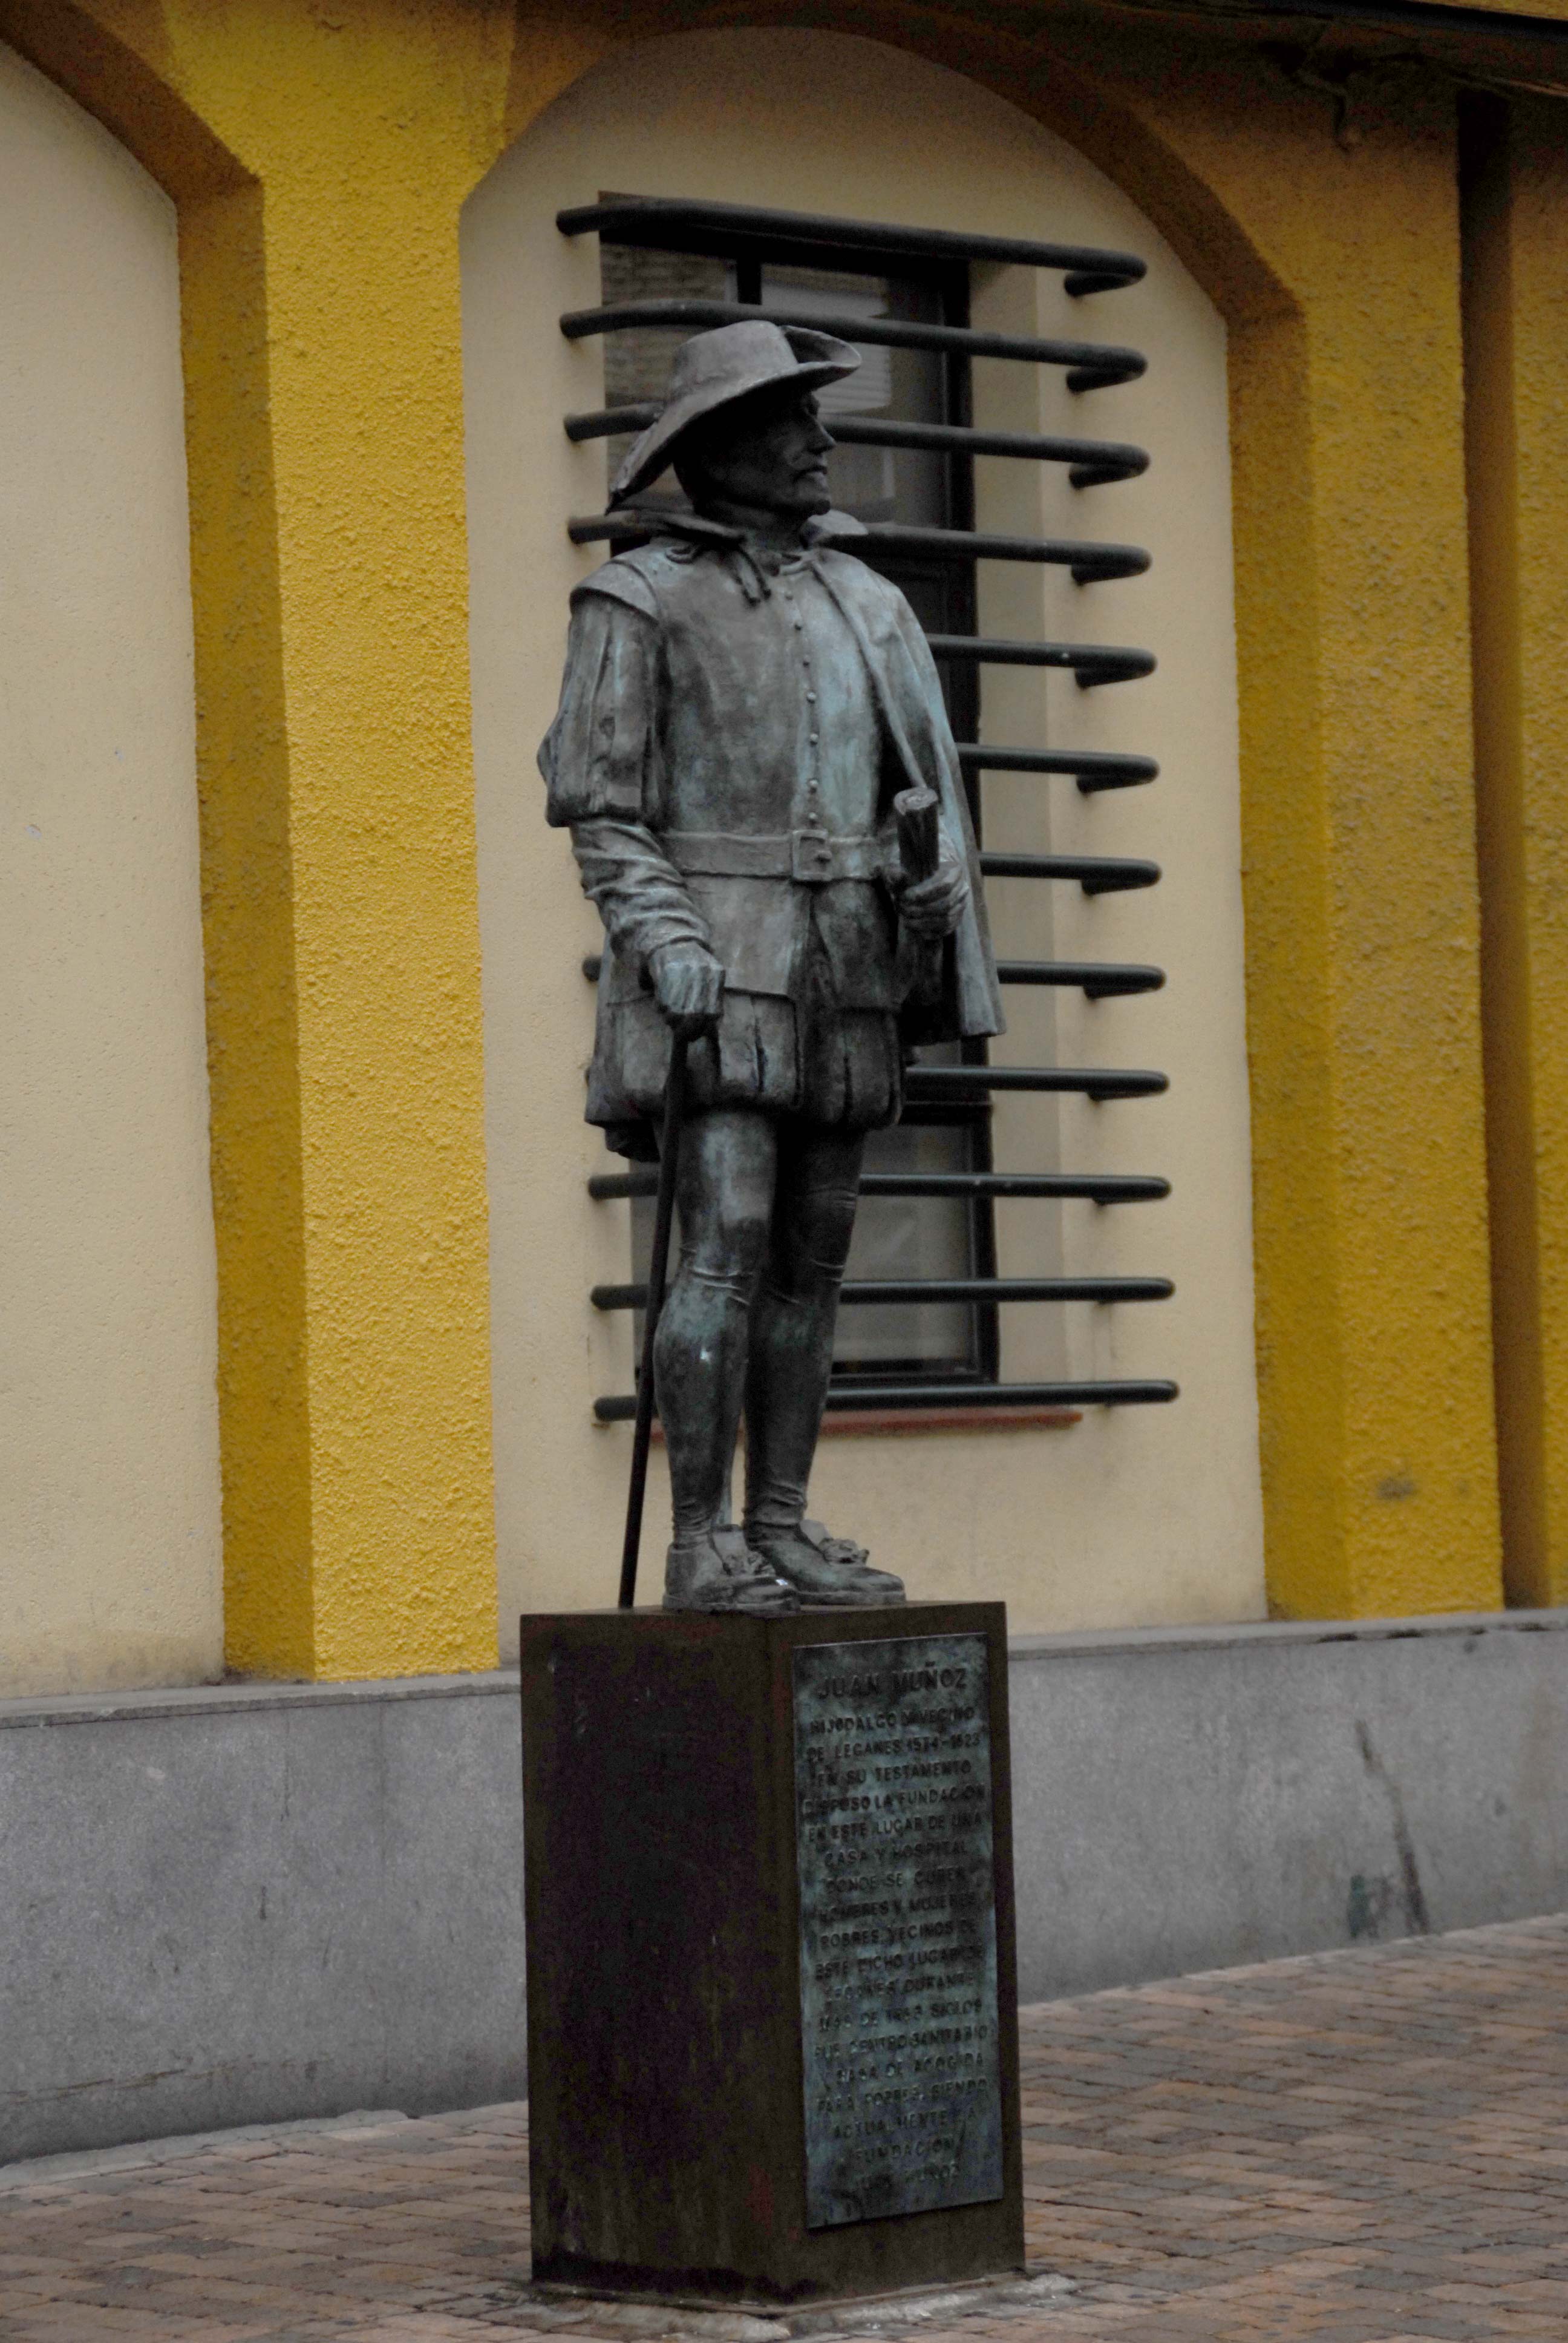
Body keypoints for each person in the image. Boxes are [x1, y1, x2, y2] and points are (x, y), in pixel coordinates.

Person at [540, 319, 1002, 1613]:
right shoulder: (636, 598)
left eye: (816, 419)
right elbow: (602, 804)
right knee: (726, 1241)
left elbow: (922, 791)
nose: (822, 442)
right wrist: (669, 936)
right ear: (723, 442)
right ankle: (700, 1542)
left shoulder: (869, 598)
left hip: (847, 966)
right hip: (718, 967)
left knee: (816, 1257)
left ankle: (784, 1522)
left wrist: (926, 888)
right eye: (794, 421)